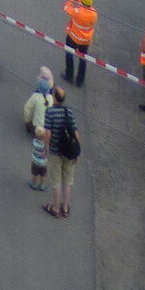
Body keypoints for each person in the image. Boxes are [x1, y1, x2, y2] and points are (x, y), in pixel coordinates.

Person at [43, 85, 80, 217]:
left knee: (56, 180)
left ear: (54, 97)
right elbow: (75, 132)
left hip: (55, 151)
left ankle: (56, 208)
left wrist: (46, 148)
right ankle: (65, 207)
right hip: (69, 152)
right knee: (68, 179)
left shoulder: (50, 112)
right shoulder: (68, 111)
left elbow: (47, 133)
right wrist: (76, 151)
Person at [24, 71, 52, 190]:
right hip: (49, 128)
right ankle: (42, 184)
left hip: (38, 126)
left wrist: (27, 121)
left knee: (35, 170)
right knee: (43, 171)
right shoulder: (51, 98)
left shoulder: (35, 97)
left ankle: (34, 183)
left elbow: (27, 109)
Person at [63, 0, 96, 86]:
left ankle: (69, 76)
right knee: (83, 59)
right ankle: (80, 80)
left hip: (73, 38)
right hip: (85, 41)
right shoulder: (94, 13)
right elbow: (84, 7)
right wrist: (79, 0)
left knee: (69, 55)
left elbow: (66, 8)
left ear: (81, 2)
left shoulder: (78, 12)